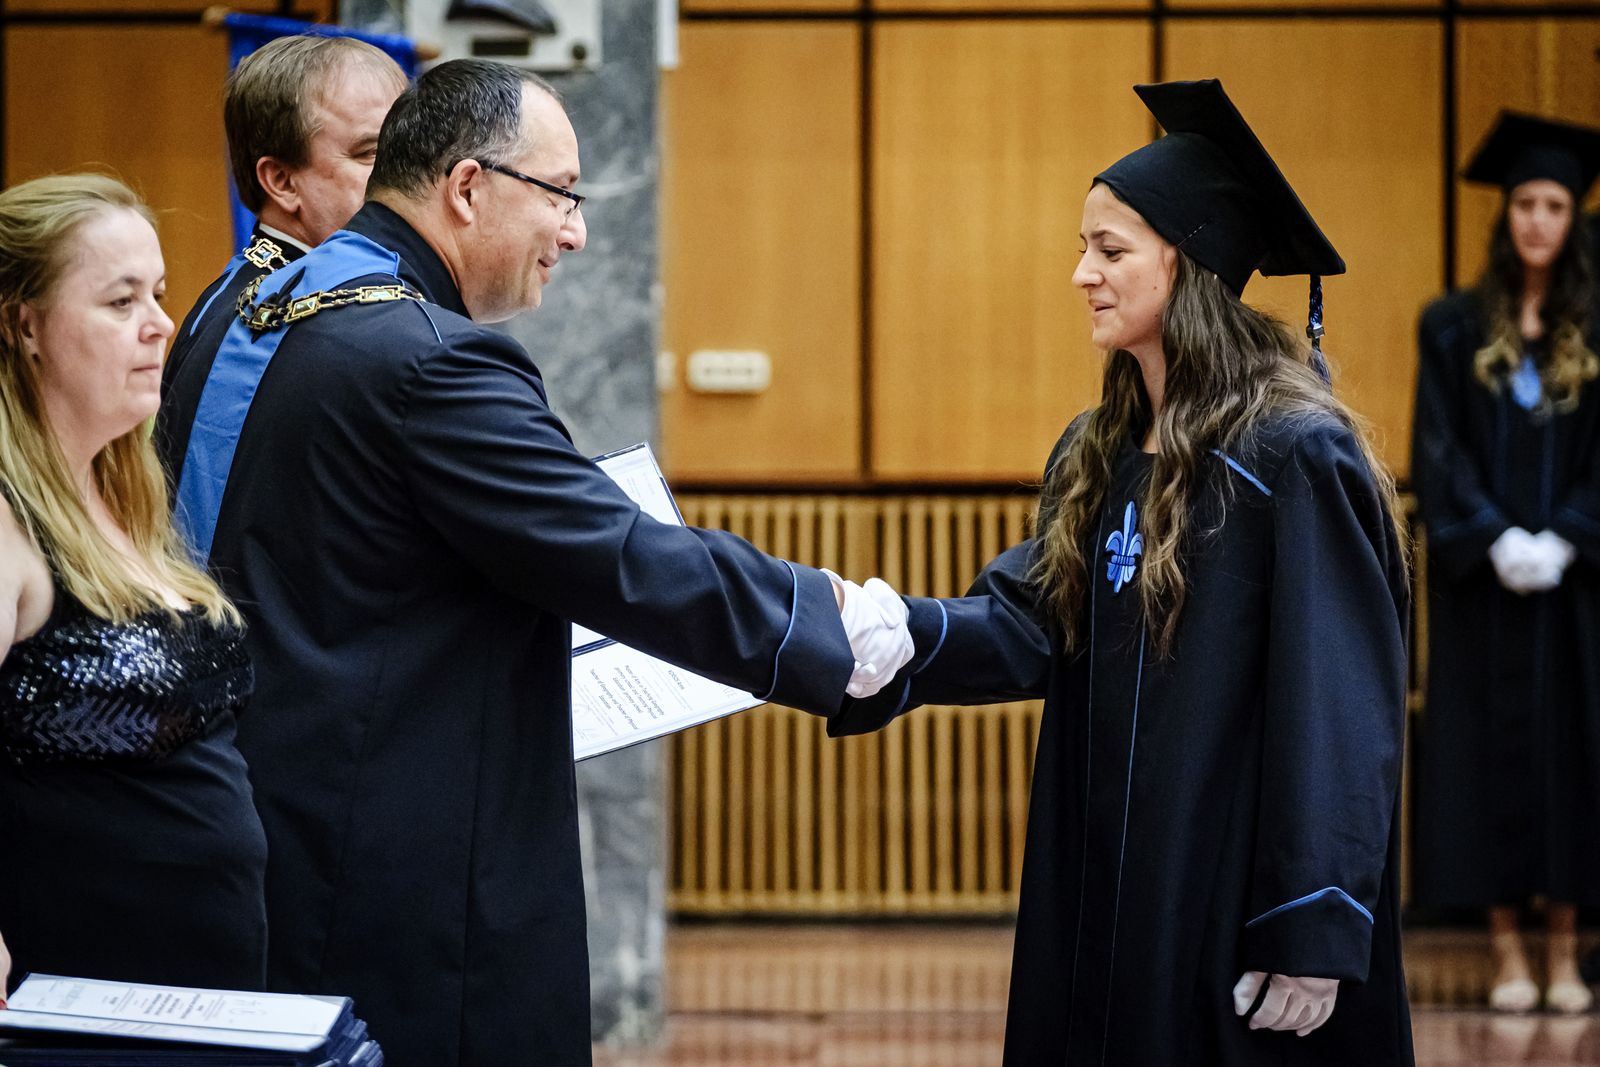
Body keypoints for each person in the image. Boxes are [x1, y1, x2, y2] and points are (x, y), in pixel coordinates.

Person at [156, 59, 908, 1067]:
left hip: (267, 836)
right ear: (468, 188)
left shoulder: (245, 309)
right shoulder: (432, 358)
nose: (576, 230)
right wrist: (829, 623)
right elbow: (622, 556)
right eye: (561, 194)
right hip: (405, 893)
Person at [828, 80, 1413, 1065]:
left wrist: (1312, 923)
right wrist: (897, 631)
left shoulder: (1292, 455)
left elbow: (1340, 707)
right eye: (1082, 248)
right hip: (1096, 866)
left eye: (1109, 251)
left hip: (1224, 887)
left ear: (1189, 265)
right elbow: (1030, 624)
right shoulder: (1097, 445)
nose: (1081, 275)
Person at [0, 175, 267, 993]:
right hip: (84, 997)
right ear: (23, 325)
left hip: (197, 991)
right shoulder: (8, 521)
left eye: (157, 293)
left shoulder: (121, 495)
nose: (160, 324)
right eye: (121, 302)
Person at [1412, 112, 1600, 1016]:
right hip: (1482, 588)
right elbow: (1436, 447)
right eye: (1525, 203)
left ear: (1574, 218)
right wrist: (1493, 536)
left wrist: (1568, 534)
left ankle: (1564, 946)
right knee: (1479, 758)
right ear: (1506, 214)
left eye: (1554, 205)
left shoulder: (1598, 327)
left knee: (1575, 755)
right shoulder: (1452, 326)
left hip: (1577, 592)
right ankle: (1504, 948)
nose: (1537, 220)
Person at [159, 32, 406, 447]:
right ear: (282, 181)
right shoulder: (310, 321)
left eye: (408, 151)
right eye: (371, 153)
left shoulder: (235, 295)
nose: (407, 175)